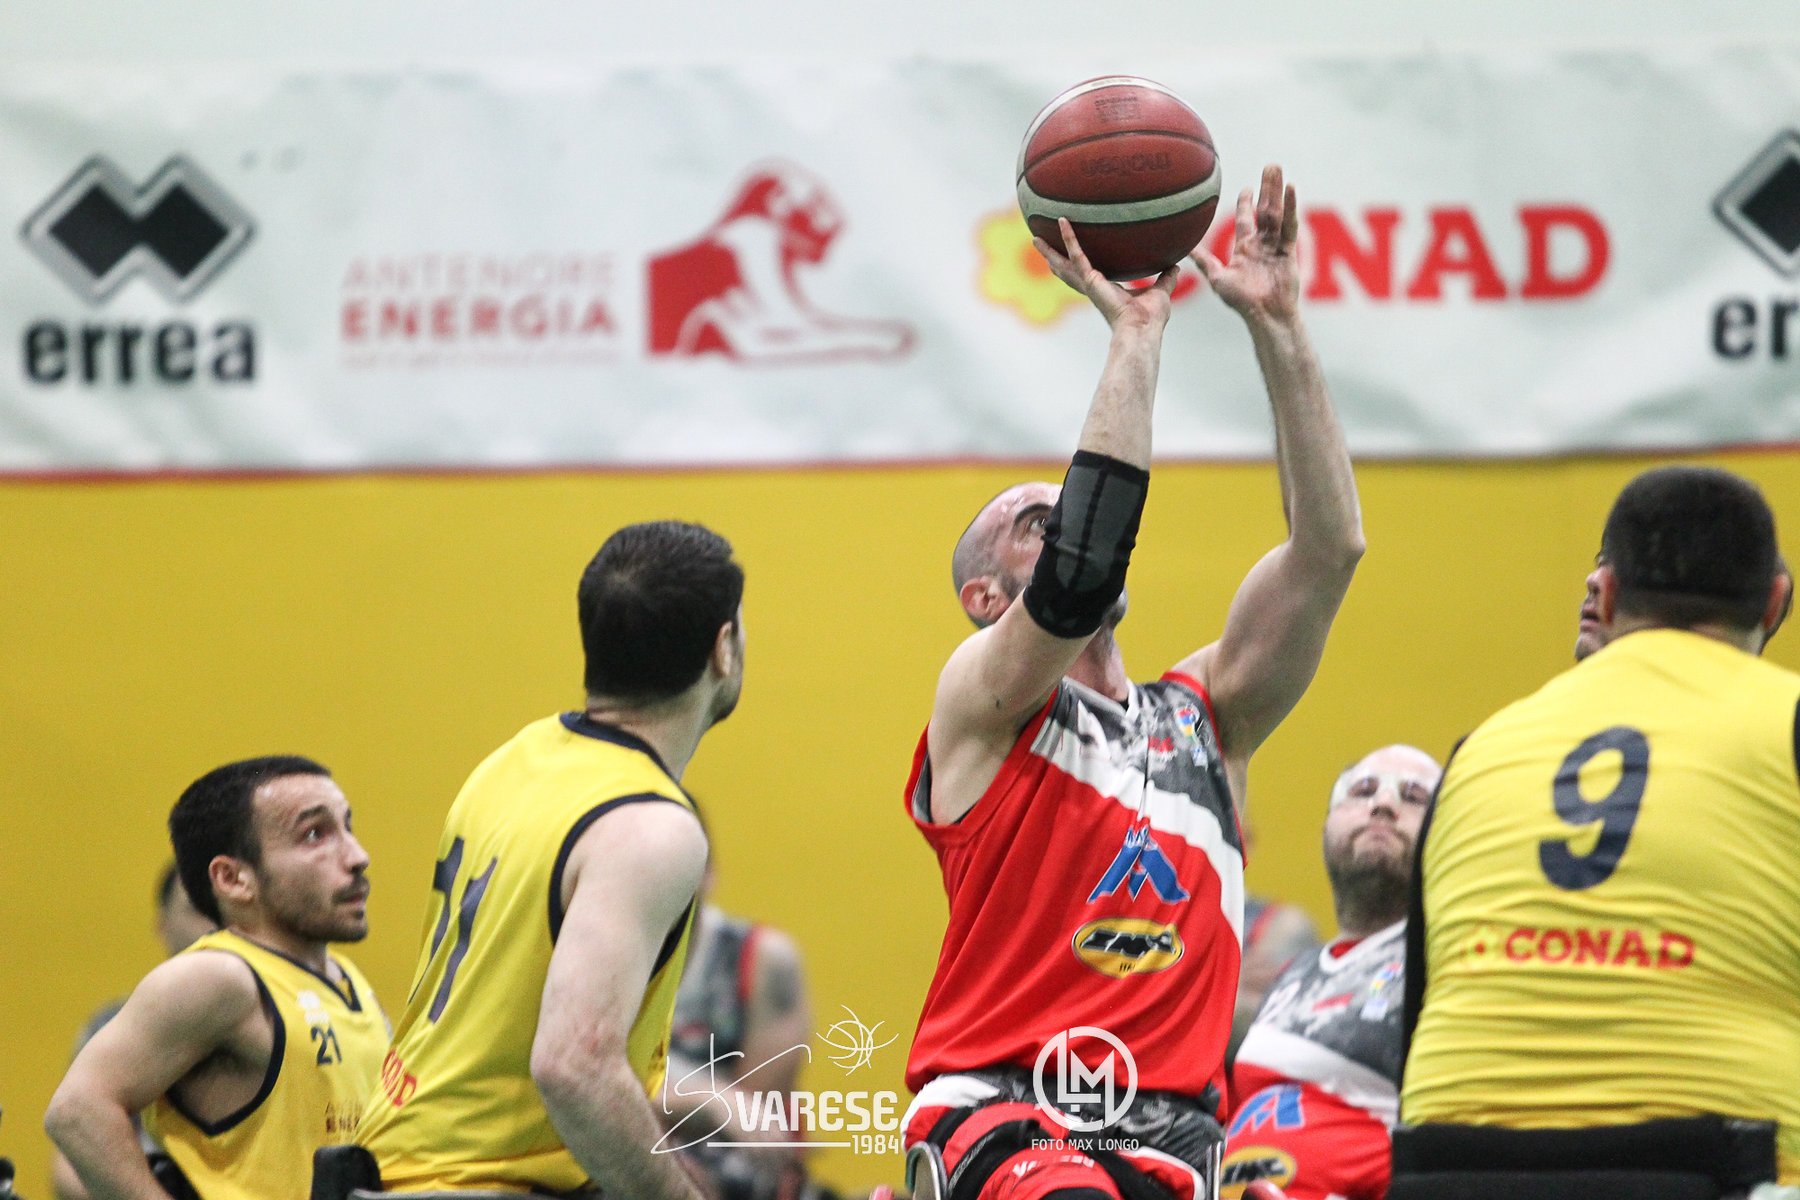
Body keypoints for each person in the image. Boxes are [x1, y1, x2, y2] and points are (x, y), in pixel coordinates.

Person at [901, 166, 1365, 1200]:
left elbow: (1328, 551)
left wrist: (1281, 329)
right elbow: (1078, 576)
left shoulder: (1209, 712)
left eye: (1066, 513)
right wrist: (1137, 334)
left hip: (1179, 1133)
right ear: (984, 597)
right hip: (1007, 1111)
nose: (1066, 524)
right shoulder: (981, 701)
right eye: (1037, 523)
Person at [1397, 465, 1800, 1198]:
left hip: (1449, 1167)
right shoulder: (1786, 718)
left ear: (1607, 595)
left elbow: (1421, 1009)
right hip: (1716, 1162)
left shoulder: (1478, 751)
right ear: (1774, 602)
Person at [355, 521, 744, 1199]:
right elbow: (574, 1068)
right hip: (475, 1183)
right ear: (723, 648)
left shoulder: (517, 758)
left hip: (395, 1164)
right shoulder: (650, 826)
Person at [46, 756, 384, 1200]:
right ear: (233, 878)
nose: (358, 856)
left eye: (347, 826)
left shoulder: (349, 981)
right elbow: (76, 1112)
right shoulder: (220, 977)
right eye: (314, 834)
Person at [1223, 745, 1440, 1200]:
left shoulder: (1444, 962)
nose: (1383, 804)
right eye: (1363, 791)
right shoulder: (1295, 975)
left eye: (1413, 797)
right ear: (1326, 828)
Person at [52, 864, 217, 1200]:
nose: (213, 925)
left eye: (219, 909)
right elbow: (68, 1167)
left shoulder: (280, 1018)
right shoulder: (112, 1026)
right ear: (162, 924)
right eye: (197, 908)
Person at [663, 848, 817, 1200]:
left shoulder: (762, 959)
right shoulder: (584, 952)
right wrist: (708, 1099)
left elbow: (753, 1119)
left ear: (707, 872)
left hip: (731, 1171)